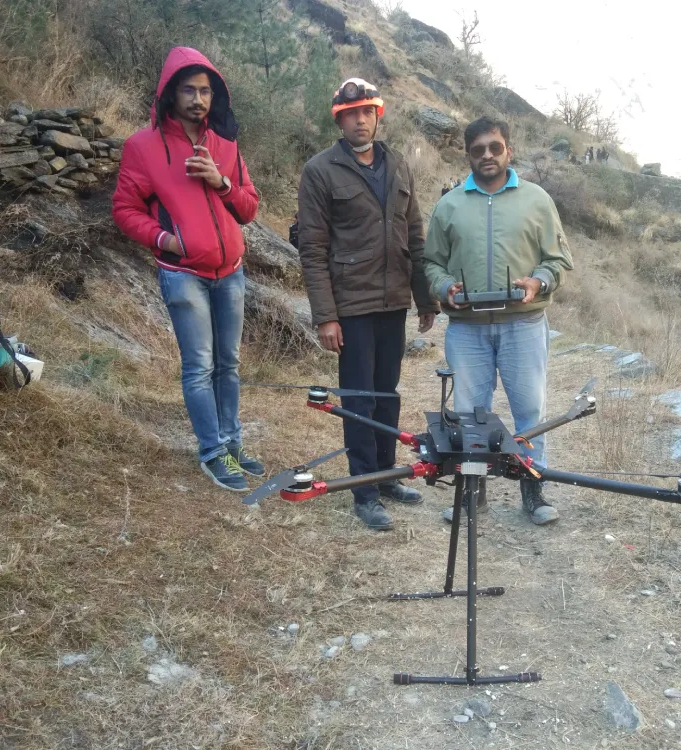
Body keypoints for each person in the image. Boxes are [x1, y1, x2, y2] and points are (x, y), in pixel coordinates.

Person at [112, 47, 264, 492]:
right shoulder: (143, 147)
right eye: (189, 90)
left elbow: (250, 208)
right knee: (199, 366)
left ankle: (232, 444)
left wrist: (222, 182)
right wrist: (165, 240)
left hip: (230, 270)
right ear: (170, 94)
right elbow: (124, 209)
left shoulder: (227, 144)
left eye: (206, 91)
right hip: (183, 274)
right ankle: (213, 452)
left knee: (229, 364)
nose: (199, 99)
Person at [297, 77, 440, 531]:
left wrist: (425, 298)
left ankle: (388, 476)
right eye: (350, 113)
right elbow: (313, 250)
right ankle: (364, 491)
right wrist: (326, 315)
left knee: (387, 395)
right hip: (352, 306)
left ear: (378, 115)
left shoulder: (397, 164)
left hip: (394, 301)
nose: (360, 120)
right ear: (338, 119)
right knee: (359, 401)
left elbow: (414, 235)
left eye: (367, 111)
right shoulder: (320, 170)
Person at [424, 115, 573, 526]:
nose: (487, 155)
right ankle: (474, 493)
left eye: (495, 147)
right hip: (467, 329)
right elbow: (432, 263)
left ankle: (533, 488)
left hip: (523, 324)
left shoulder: (538, 199)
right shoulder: (449, 204)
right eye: (478, 150)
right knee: (471, 415)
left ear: (508, 149)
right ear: (468, 154)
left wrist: (538, 282)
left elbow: (558, 259)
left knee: (529, 410)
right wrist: (444, 288)